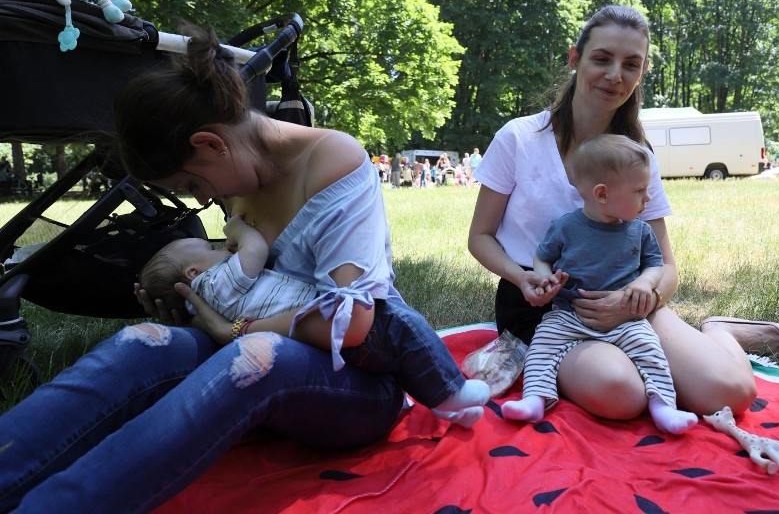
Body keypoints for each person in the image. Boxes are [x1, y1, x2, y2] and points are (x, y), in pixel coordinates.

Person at [0, 26, 488, 512]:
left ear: (211, 144)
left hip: (361, 380)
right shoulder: (237, 176)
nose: (204, 199)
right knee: (142, 342)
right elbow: (245, 286)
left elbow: (352, 321)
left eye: (192, 182)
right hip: (259, 353)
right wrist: (196, 313)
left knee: (256, 352)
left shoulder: (333, 162)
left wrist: (231, 327)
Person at [468, 5, 779, 427]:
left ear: (642, 71)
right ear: (575, 58)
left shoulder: (637, 157)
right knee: (622, 393)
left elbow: (666, 268)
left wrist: (637, 300)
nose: (615, 74)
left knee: (731, 394)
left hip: (627, 304)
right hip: (542, 309)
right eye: (602, 58)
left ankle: (720, 330)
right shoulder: (519, 137)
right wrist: (523, 278)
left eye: (631, 64)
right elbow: (480, 236)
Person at [139, 215, 487, 423]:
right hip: (331, 319)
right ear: (193, 272)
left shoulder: (206, 302)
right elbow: (255, 250)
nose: (221, 247)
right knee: (403, 325)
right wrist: (238, 227)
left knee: (395, 359)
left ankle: (439, 403)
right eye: (211, 248)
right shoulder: (215, 283)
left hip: (318, 338)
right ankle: (451, 391)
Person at [501, 134, 698, 435]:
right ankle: (535, 398)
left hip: (627, 319)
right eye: (640, 191)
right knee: (542, 344)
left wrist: (645, 284)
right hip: (569, 315)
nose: (648, 199)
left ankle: (663, 406)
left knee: (650, 349)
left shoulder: (640, 231)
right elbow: (542, 258)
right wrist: (543, 278)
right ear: (602, 194)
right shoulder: (566, 226)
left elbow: (655, 265)